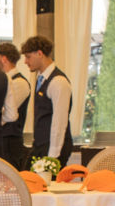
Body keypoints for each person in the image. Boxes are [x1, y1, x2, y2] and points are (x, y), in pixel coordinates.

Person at [20, 35, 75, 163]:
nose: (25, 62)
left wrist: (52, 156)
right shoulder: (41, 79)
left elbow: (59, 121)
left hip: (53, 147)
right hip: (41, 144)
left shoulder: (58, 81)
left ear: (40, 54)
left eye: (28, 57)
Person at [0, 42, 32, 169]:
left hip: (10, 142)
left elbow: (5, 112)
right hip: (2, 140)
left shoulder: (19, 83)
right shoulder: (3, 81)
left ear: (4, 59)